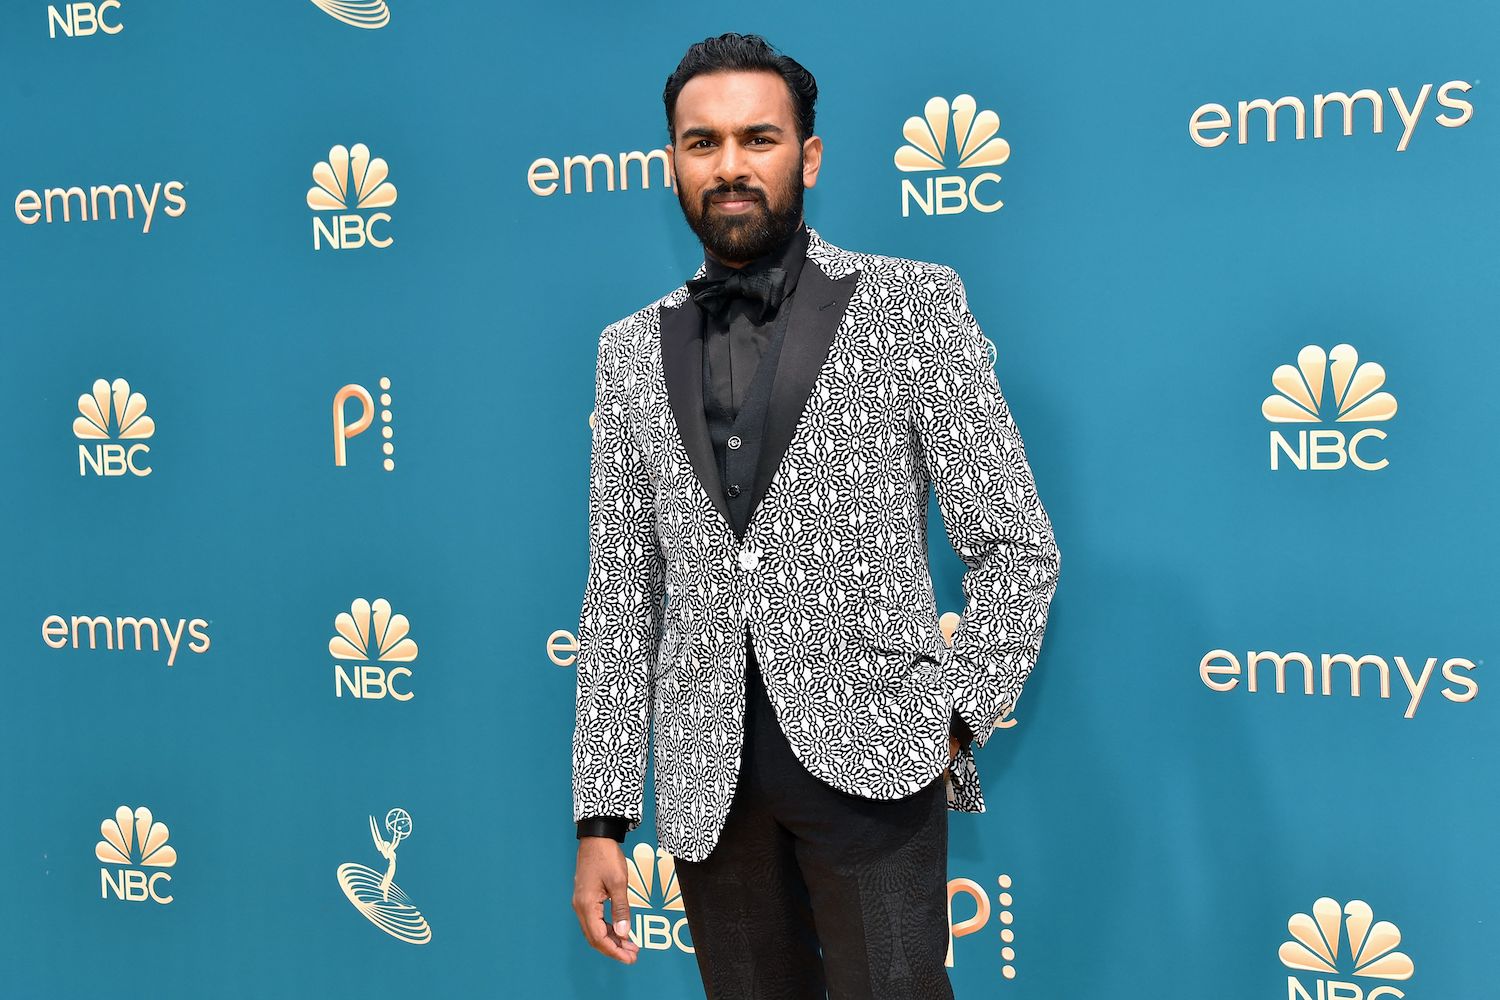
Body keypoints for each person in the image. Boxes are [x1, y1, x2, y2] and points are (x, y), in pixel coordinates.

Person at [570, 32, 1060, 998]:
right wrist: (602, 819)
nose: (731, 166)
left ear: (810, 155)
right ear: (671, 162)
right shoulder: (628, 350)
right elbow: (624, 597)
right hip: (708, 785)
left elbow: (1015, 544)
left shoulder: (911, 305)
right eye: (702, 143)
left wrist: (953, 712)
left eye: (758, 137)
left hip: (875, 764)